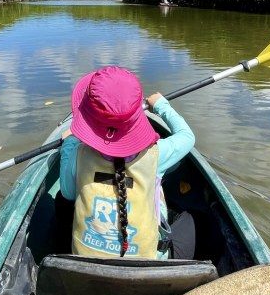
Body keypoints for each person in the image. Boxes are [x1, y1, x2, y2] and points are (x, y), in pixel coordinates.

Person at [59, 66, 195, 259]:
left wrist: (70, 143)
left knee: (61, 203)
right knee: (188, 220)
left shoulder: (77, 154)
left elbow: (67, 192)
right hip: (144, 267)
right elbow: (187, 137)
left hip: (85, 265)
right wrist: (160, 105)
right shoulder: (157, 153)